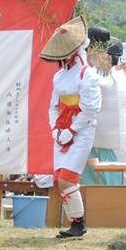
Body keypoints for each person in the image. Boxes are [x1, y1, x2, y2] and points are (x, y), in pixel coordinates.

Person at [39, 16, 102, 238]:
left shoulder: (87, 74)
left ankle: (79, 223)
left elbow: (90, 109)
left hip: (81, 131)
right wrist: (55, 130)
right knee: (58, 180)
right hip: (61, 131)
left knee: (67, 178)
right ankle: (75, 223)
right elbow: (52, 106)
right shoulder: (59, 75)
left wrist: (72, 130)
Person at [83, 28, 126, 184]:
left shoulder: (112, 74)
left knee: (109, 179)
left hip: (106, 137)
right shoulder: (113, 73)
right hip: (98, 136)